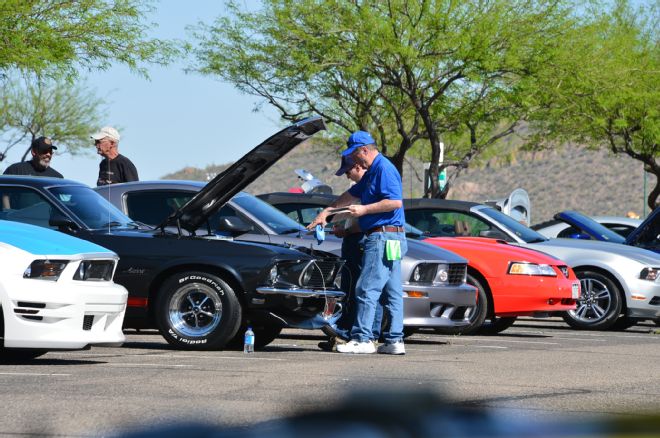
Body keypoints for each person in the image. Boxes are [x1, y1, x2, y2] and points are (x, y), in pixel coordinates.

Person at [308, 130, 407, 355]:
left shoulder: (383, 168)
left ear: (364, 150)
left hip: (383, 236)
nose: (354, 161)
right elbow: (351, 194)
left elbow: (394, 203)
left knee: (366, 287)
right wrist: (328, 211)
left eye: (354, 156)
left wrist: (364, 209)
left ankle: (363, 338)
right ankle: (394, 340)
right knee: (391, 291)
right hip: (390, 237)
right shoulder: (373, 172)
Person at [318, 156, 382, 352]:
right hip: (353, 241)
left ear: (357, 166)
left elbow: (367, 220)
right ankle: (347, 332)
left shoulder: (368, 187)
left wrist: (346, 231)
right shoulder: (363, 186)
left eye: (347, 171)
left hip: (360, 241)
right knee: (352, 288)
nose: (347, 176)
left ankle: (364, 334)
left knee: (361, 288)